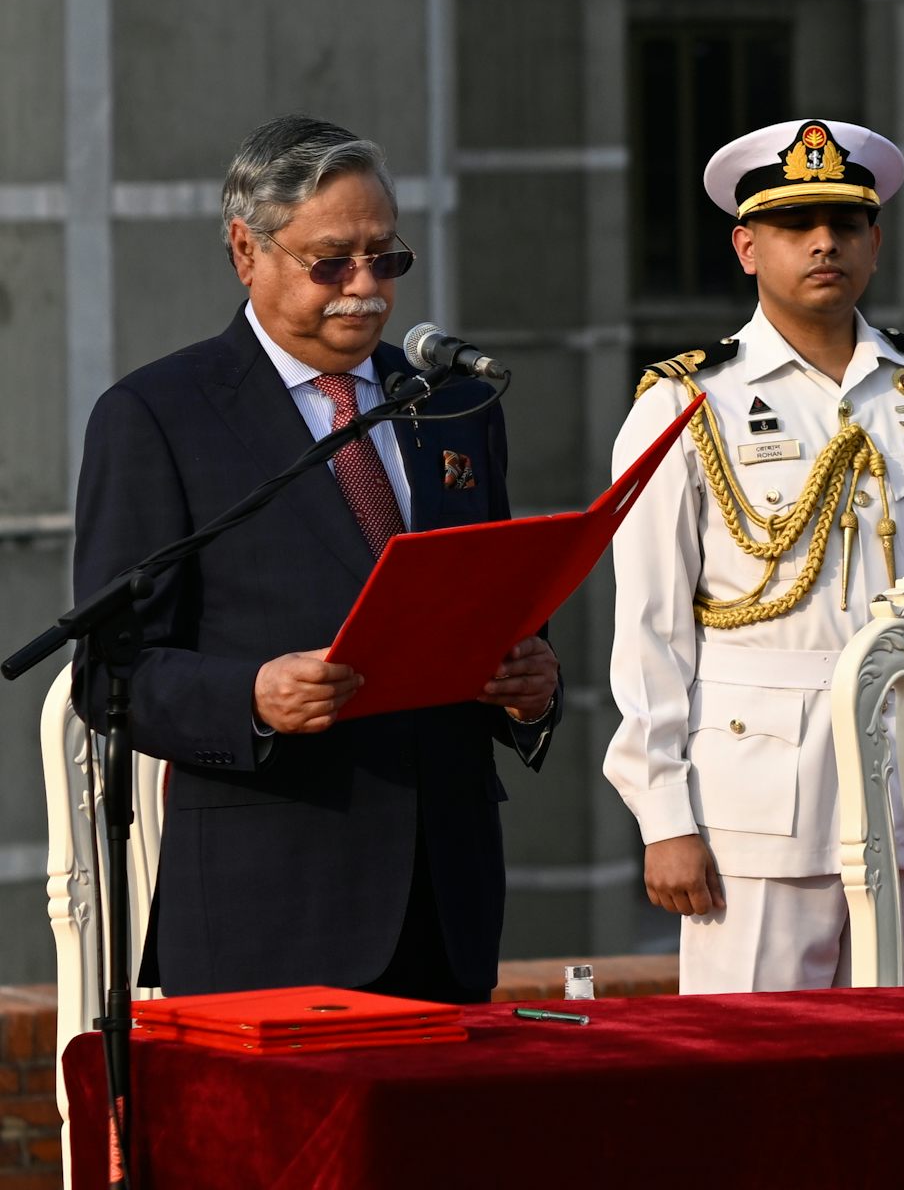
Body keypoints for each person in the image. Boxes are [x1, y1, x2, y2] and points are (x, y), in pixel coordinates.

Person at [71, 114, 562, 1003]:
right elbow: (113, 673)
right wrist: (252, 697)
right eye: (332, 262)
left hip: (445, 897)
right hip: (271, 901)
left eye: (386, 258)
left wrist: (530, 687)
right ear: (245, 250)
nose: (365, 288)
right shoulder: (159, 415)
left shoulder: (452, 402)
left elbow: (492, 603)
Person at [604, 117, 904, 993]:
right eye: (794, 226)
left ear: (875, 243)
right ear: (747, 247)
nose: (825, 244)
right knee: (752, 1052)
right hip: (755, 798)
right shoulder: (686, 401)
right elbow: (650, 627)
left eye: (846, 225)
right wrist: (663, 813)